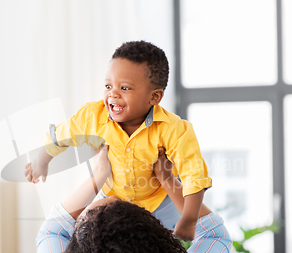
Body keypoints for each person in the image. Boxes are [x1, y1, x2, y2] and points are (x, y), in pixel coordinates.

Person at [26, 40, 212, 241]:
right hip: (113, 197)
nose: (112, 93)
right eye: (108, 85)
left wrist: (189, 220)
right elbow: (61, 137)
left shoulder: (173, 128)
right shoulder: (93, 116)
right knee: (93, 242)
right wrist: (41, 161)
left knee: (160, 250)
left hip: (159, 201)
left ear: (154, 97)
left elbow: (194, 176)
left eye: (124, 88)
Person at [35, 145, 231, 253]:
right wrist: (167, 179)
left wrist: (99, 176)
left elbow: (52, 231)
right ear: (155, 240)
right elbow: (215, 236)